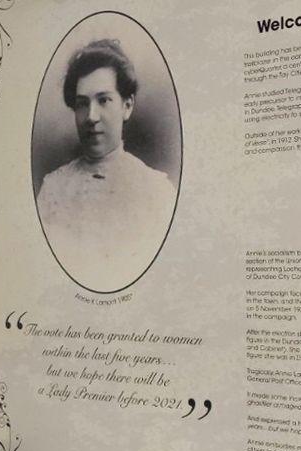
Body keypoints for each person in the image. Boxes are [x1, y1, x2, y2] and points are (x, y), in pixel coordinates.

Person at [37, 38, 176, 290]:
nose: (91, 117)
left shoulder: (157, 192)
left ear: (127, 106)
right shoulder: (53, 189)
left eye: (104, 100)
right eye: (82, 104)